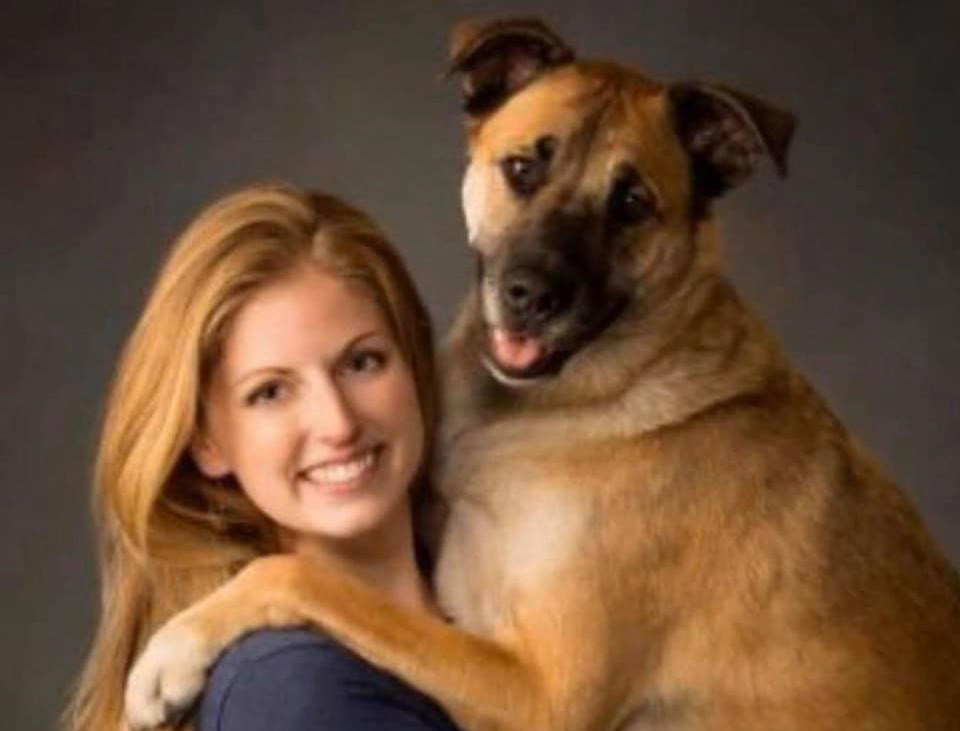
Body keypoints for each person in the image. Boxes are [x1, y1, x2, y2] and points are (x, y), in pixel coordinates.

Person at [64, 183, 459, 731]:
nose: (338, 423)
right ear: (206, 441)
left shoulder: (510, 619)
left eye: (362, 362)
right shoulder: (295, 691)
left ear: (412, 361)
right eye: (270, 392)